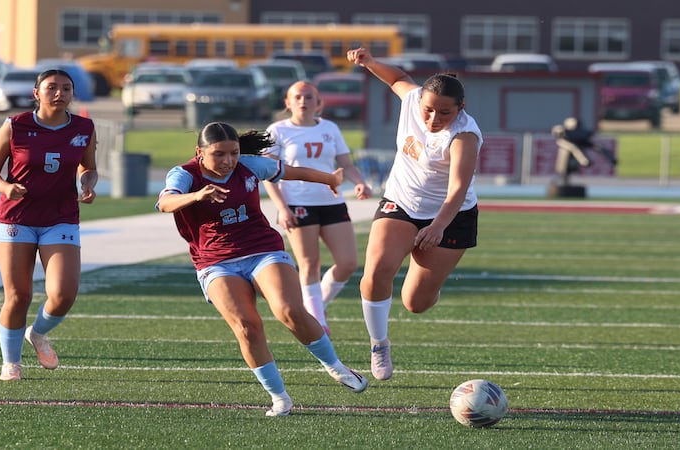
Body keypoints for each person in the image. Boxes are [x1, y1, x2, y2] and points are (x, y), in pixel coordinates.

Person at [156, 121, 368, 416]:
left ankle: (336, 368)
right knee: (247, 327)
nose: (228, 161)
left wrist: (330, 179)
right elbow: (166, 202)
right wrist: (196, 195)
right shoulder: (184, 174)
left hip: (262, 250)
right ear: (200, 152)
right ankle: (279, 397)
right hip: (215, 262)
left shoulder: (250, 165)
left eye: (233, 153)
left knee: (289, 311)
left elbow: (294, 172)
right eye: (219, 154)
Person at [346, 47, 483, 381]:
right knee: (377, 271)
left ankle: (429, 277)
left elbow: (458, 189)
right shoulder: (413, 100)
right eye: (429, 110)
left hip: (451, 214)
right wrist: (370, 63)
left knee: (415, 303)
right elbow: (400, 79)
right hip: (401, 203)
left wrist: (437, 226)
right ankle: (379, 344)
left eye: (444, 113)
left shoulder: (464, 136)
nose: (433, 119)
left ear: (460, 109)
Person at [0, 68, 98, 381]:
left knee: (63, 294)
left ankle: (38, 333)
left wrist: (87, 184)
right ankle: (11, 364)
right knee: (18, 296)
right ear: (37, 93)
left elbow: (89, 167)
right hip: (16, 218)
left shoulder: (84, 126)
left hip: (60, 217)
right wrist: (6, 188)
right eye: (52, 88)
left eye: (66, 88)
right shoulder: (16, 125)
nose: (59, 93)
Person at [262, 81, 372, 335]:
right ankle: (318, 320)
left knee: (348, 263)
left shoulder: (330, 128)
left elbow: (345, 163)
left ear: (318, 102)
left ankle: (316, 306)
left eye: (309, 97)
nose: (303, 101)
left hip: (332, 201)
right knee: (309, 264)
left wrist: (360, 183)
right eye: (297, 97)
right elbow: (269, 174)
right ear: (287, 103)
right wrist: (282, 208)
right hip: (298, 203)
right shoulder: (278, 130)